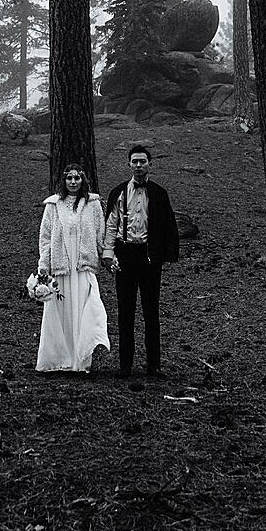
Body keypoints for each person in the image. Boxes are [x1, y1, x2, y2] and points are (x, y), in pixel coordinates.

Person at [103, 144, 180, 378]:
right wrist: (108, 253)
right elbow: (111, 224)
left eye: (142, 161)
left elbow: (167, 225)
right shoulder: (118, 192)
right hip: (125, 256)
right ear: (128, 165)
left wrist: (163, 255)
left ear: (150, 164)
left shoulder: (158, 193)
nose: (138, 165)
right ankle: (125, 365)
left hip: (149, 259)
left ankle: (153, 365)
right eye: (134, 161)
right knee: (125, 313)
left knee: (151, 312)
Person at [34, 165, 111, 373]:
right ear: (64, 181)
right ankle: (60, 358)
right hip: (61, 265)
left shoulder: (93, 204)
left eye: (77, 178)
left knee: (84, 307)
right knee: (61, 310)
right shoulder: (53, 205)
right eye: (69, 178)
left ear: (83, 180)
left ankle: (81, 359)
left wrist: (106, 256)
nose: (73, 182)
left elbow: (99, 233)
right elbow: (46, 237)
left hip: (83, 264)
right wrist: (44, 265)